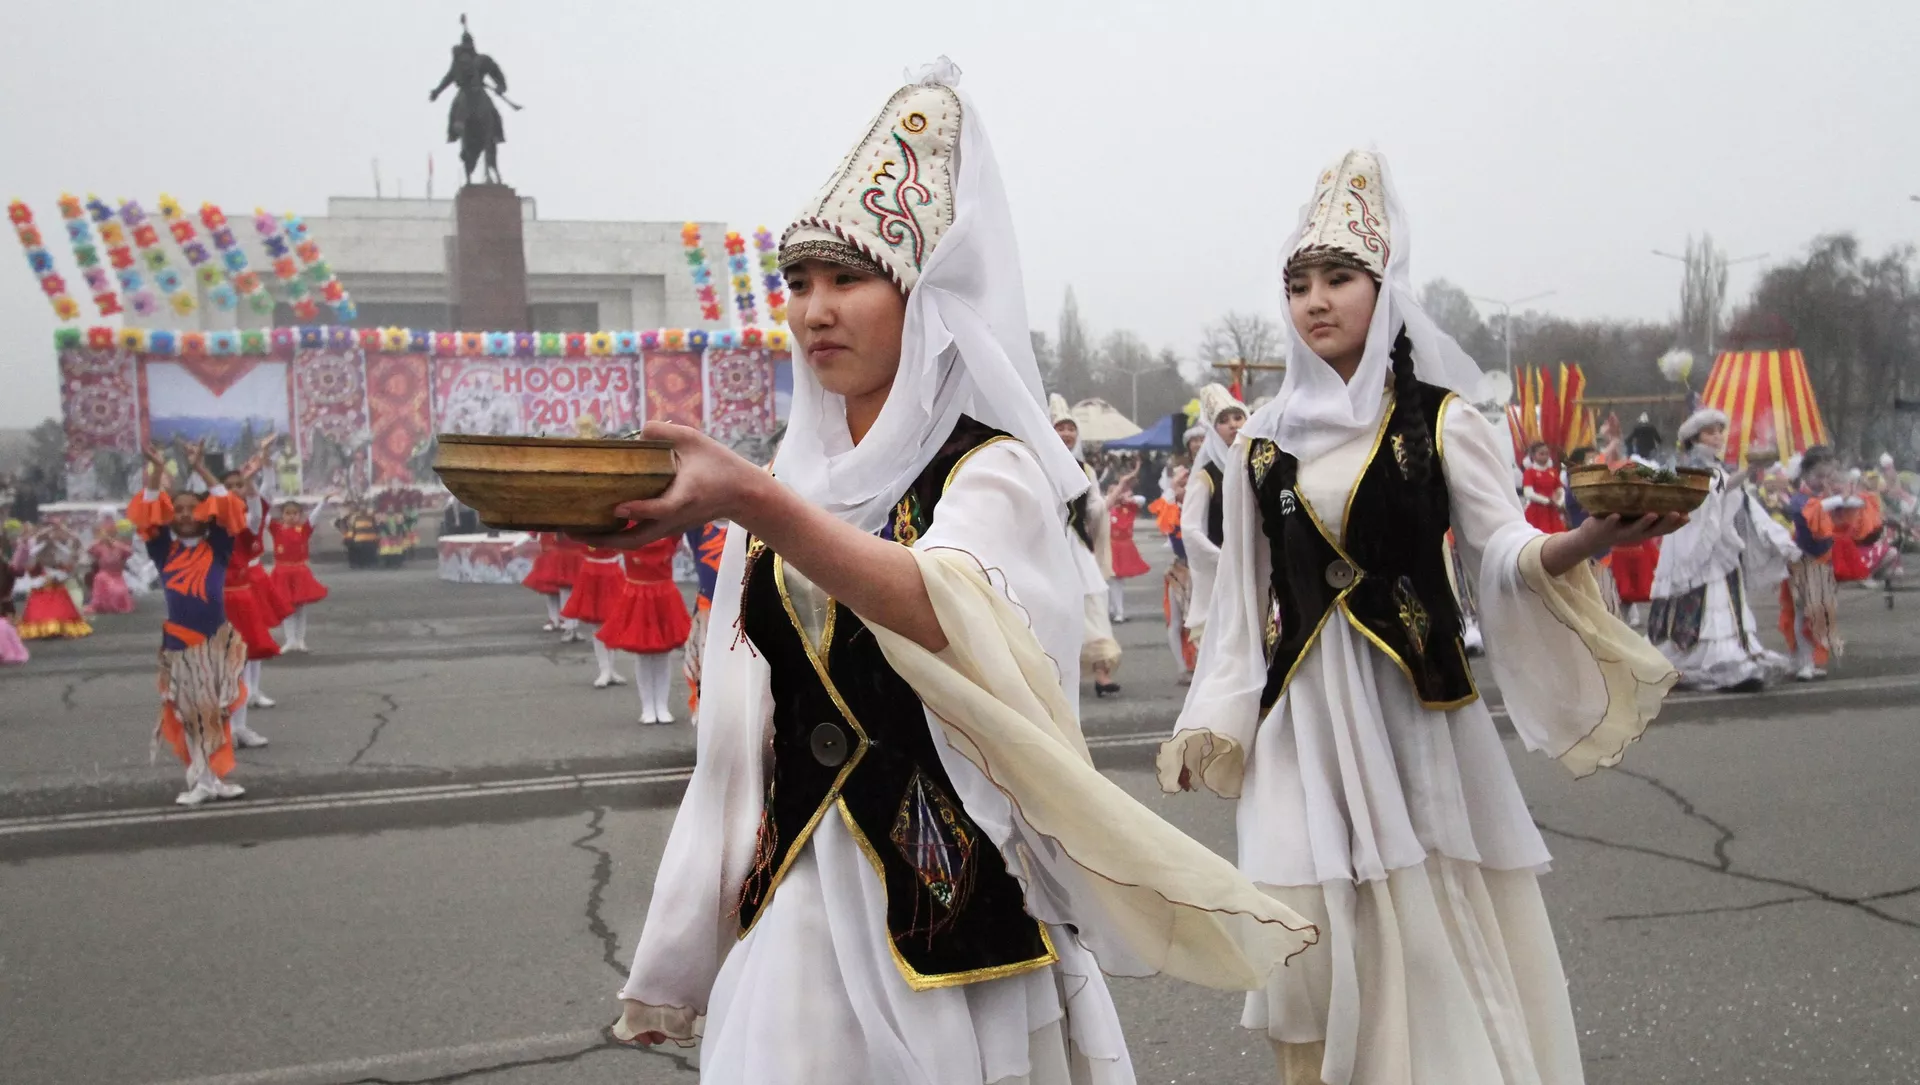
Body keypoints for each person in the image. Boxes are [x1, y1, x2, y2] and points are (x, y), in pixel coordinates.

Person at [607, 60, 1316, 1083]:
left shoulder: (992, 471)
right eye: (799, 284)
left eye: (848, 279)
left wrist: (753, 504)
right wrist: (683, 941)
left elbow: (946, 606)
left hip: (948, 909)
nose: (815, 309)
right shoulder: (782, 479)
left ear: (924, 301)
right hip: (791, 907)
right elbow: (735, 737)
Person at [1162, 149, 1685, 1085]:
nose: (1315, 301)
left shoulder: (1443, 422)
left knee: (1429, 929)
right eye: (1298, 285)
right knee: (1311, 935)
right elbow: (1240, 604)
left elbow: (1504, 553)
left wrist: (1586, 539)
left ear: (1383, 288)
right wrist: (1216, 716)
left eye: (1338, 278)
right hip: (1302, 721)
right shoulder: (1260, 445)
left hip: (1410, 710)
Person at [128, 441, 251, 806]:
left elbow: (228, 504)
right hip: (181, 646)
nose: (184, 514)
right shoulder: (163, 549)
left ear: (204, 512)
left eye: (191, 507)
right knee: (192, 714)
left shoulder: (219, 545)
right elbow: (148, 511)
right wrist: (156, 470)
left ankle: (212, 778)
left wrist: (200, 468)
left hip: (217, 643)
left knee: (217, 713)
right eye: (177, 508)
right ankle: (201, 779)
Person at [1646, 409, 1799, 692]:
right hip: (1692, 542)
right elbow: (1711, 492)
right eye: (1710, 433)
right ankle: (1700, 657)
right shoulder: (1687, 464)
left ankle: (1734, 651)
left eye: (1719, 431)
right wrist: (1744, 474)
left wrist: (1775, 535)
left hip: (1717, 543)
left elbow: (1731, 494)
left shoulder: (1717, 465)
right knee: (1702, 593)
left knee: (1725, 595)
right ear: (1695, 438)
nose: (1717, 437)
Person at [1052, 394, 1123, 696]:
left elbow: (1093, 506)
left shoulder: (1085, 469)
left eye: (1071, 428)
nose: (1067, 433)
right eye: (1060, 427)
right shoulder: (1035, 462)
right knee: (1054, 608)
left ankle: (1102, 673)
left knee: (1093, 603)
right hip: (1048, 546)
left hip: (1077, 544)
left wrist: (1110, 500)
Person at [597, 534, 692, 724]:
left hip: (663, 596)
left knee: (662, 654)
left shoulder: (670, 533)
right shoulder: (628, 531)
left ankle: (662, 706)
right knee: (643, 655)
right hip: (638, 596)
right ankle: (647, 706)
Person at [1780, 446, 1856, 680]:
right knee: (1802, 611)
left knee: (1819, 612)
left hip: (1823, 562)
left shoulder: (1823, 497)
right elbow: (1808, 511)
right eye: (1818, 476)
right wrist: (1835, 500)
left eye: (1827, 476)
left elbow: (1836, 521)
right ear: (1805, 474)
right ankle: (1802, 660)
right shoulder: (1799, 499)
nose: (1823, 481)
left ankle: (1811, 659)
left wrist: (1844, 502)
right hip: (1802, 561)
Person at [1181, 383, 1246, 646]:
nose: (1233, 425)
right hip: (1225, 572)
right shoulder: (1206, 476)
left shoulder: (1258, 465)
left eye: (1237, 417)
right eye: (1223, 420)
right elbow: (1190, 528)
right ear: (1213, 430)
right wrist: (1220, 557)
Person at [1151, 463, 1198, 682]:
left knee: (1200, 620)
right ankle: (1182, 668)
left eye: (1188, 482)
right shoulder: (1170, 508)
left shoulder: (1200, 504)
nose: (1184, 487)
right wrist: (1172, 487)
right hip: (1180, 569)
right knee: (1176, 622)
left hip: (1202, 569)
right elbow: (1164, 513)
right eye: (1181, 483)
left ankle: (1201, 664)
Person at [267, 498, 330, 652]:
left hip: (299, 573)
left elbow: (314, 516)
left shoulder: (303, 529)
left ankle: (300, 640)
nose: (291, 516)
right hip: (282, 573)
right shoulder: (276, 528)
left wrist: (323, 501)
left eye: (295, 513)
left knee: (300, 608)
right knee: (286, 608)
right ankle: (290, 640)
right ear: (282, 515)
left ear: (300, 515)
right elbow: (262, 514)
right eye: (288, 513)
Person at [561, 543, 628, 685]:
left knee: (612, 623)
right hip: (592, 572)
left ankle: (611, 669)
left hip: (613, 571)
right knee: (597, 625)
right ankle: (604, 669)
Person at [681, 520, 728, 717]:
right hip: (707, 612)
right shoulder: (698, 527)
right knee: (707, 669)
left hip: (742, 612)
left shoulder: (748, 530)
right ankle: (707, 714)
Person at [17, 524, 92, 640]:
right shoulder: (36, 561)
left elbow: (70, 562)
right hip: (40, 592)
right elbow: (28, 564)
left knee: (60, 608)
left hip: (57, 591)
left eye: (50, 551)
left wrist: (64, 538)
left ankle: (57, 628)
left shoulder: (59, 560)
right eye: (46, 552)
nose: (49, 553)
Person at [1106, 466, 1150, 622]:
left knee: (1117, 580)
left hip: (1123, 546)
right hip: (1109, 546)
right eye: (1113, 492)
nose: (1117, 495)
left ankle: (1118, 611)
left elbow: (1141, 500)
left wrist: (1126, 498)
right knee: (1108, 580)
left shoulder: (1128, 507)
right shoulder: (1107, 508)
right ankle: (1112, 610)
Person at [522, 532, 584, 634]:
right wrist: (514, 545)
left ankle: (565, 618)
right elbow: (532, 532)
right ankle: (553, 619)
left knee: (567, 587)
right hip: (549, 552)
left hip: (567, 550)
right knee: (550, 589)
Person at [86, 519, 137, 615]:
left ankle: (114, 605)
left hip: (117, 576)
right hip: (104, 574)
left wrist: (113, 542)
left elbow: (130, 552)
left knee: (119, 592)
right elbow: (89, 549)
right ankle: (101, 605)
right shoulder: (100, 546)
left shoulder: (119, 546)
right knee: (101, 579)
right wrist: (100, 540)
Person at [1519, 441, 1568, 534]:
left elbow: (1560, 489)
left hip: (1552, 511)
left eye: (1547, 454)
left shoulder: (1553, 471)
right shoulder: (1529, 472)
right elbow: (1528, 493)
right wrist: (1547, 500)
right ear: (1533, 456)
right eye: (1541, 454)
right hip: (1536, 512)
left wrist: (1559, 502)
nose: (1545, 456)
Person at [0, 527, 26, 665]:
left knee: (6, 631)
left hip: (5, 606)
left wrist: (22, 550)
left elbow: (19, 572)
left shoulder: (7, 565)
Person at [337, 501, 380, 569]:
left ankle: (368, 563)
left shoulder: (370, 515)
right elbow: (351, 527)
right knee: (361, 552)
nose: (363, 507)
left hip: (369, 538)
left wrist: (377, 536)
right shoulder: (354, 516)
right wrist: (348, 538)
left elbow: (375, 526)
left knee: (369, 552)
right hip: (360, 538)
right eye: (362, 506)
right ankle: (361, 564)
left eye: (364, 506)